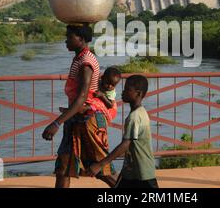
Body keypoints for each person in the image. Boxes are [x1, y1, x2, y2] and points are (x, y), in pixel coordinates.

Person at [42, 23, 117, 188]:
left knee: (101, 169)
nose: (66, 41)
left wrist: (56, 123)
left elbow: (82, 97)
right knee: (64, 167)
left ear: (81, 39)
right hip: (76, 118)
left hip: (89, 121)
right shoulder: (80, 58)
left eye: (69, 37)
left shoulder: (86, 62)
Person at [87, 74, 158, 188]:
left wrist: (100, 164)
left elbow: (125, 145)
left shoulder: (134, 117)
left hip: (142, 172)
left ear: (138, 93)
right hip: (131, 171)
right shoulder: (141, 112)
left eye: (127, 90)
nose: (123, 92)